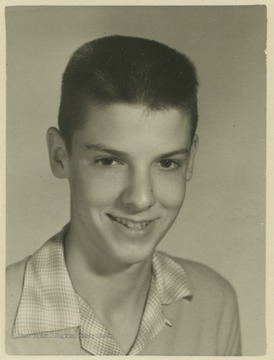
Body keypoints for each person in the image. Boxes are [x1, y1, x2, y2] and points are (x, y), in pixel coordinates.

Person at [6, 35, 241, 355]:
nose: (141, 198)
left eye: (167, 163)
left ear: (190, 161)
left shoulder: (213, 303)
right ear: (60, 156)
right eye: (109, 161)